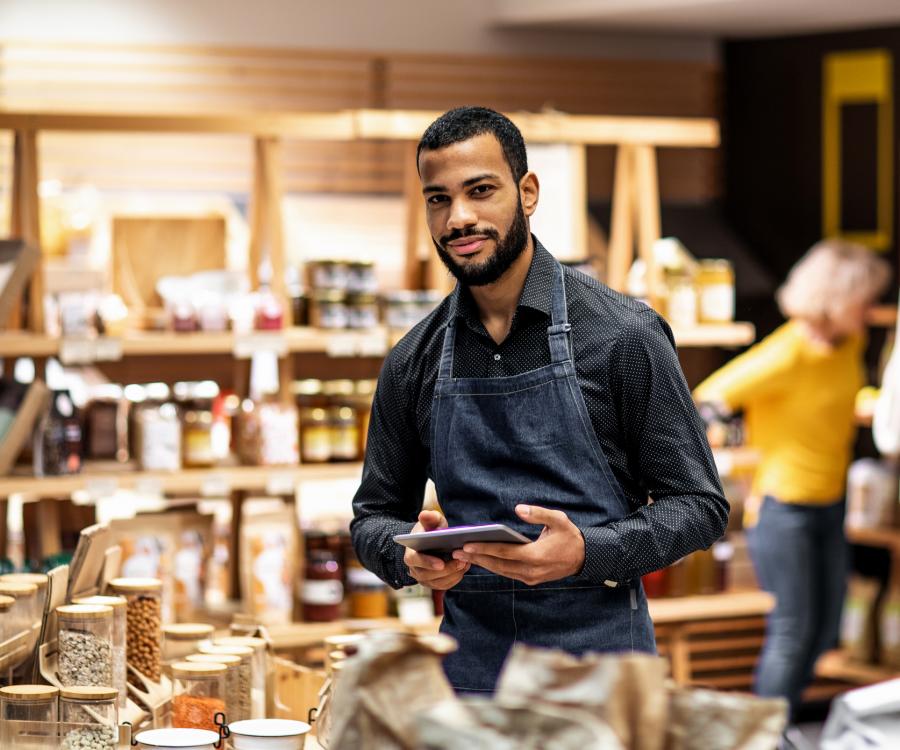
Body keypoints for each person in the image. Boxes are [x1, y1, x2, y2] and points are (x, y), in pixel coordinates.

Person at [351, 106, 729, 693]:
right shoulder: (413, 360)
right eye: (439, 199)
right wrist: (408, 559)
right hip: (471, 679)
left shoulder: (622, 335)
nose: (460, 218)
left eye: (481, 191)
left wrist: (587, 554)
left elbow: (700, 505)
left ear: (527, 192)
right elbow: (373, 517)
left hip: (601, 680)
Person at [694, 239, 890, 717]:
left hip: (831, 504)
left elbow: (836, 396)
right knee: (793, 630)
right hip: (785, 511)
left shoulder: (850, 343)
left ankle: (780, 727)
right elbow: (707, 396)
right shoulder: (786, 353)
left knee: (824, 630)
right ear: (839, 298)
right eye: (865, 299)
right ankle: (763, 734)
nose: (872, 309)